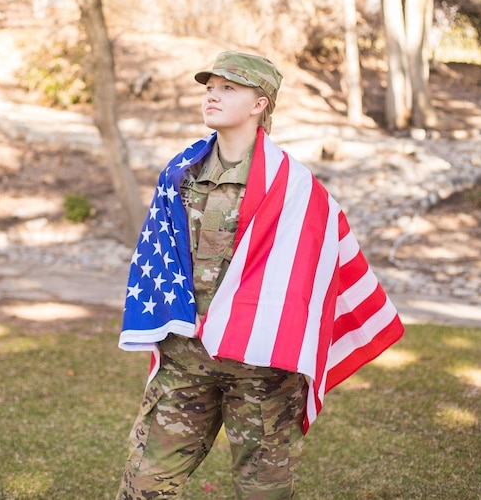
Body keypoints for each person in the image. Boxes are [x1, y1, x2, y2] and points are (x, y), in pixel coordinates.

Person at [115, 51, 404, 500]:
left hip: (261, 369)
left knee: (263, 491)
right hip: (188, 359)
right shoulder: (181, 173)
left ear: (259, 104)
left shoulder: (295, 187)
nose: (213, 94)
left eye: (229, 88)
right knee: (144, 484)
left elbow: (319, 271)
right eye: (210, 86)